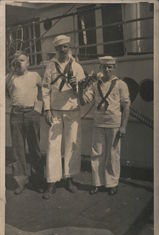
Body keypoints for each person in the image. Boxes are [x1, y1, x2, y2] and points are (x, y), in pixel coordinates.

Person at [42, 35, 85, 199]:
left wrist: (76, 85)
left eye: (65, 46)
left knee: (72, 145)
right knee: (53, 146)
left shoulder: (77, 67)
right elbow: (45, 89)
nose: (63, 50)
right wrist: (47, 109)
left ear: (69, 47)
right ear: (56, 49)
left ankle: (70, 179)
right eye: (60, 47)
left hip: (72, 111)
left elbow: (83, 92)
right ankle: (51, 182)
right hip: (55, 111)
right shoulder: (50, 67)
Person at [79, 56, 130, 195]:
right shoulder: (95, 85)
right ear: (100, 68)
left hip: (114, 123)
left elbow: (126, 107)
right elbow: (84, 101)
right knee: (97, 153)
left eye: (110, 67)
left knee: (113, 154)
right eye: (104, 67)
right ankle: (97, 182)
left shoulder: (121, 85)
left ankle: (112, 183)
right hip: (98, 123)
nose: (107, 69)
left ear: (114, 68)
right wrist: (79, 88)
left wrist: (123, 126)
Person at [6, 50, 43, 194]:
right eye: (16, 61)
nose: (19, 63)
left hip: (31, 114)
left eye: (22, 60)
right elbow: (6, 93)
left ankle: (38, 180)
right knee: (18, 150)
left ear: (28, 62)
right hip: (16, 115)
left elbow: (43, 91)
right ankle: (20, 181)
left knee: (35, 149)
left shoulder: (34, 76)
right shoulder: (8, 77)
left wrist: (38, 109)